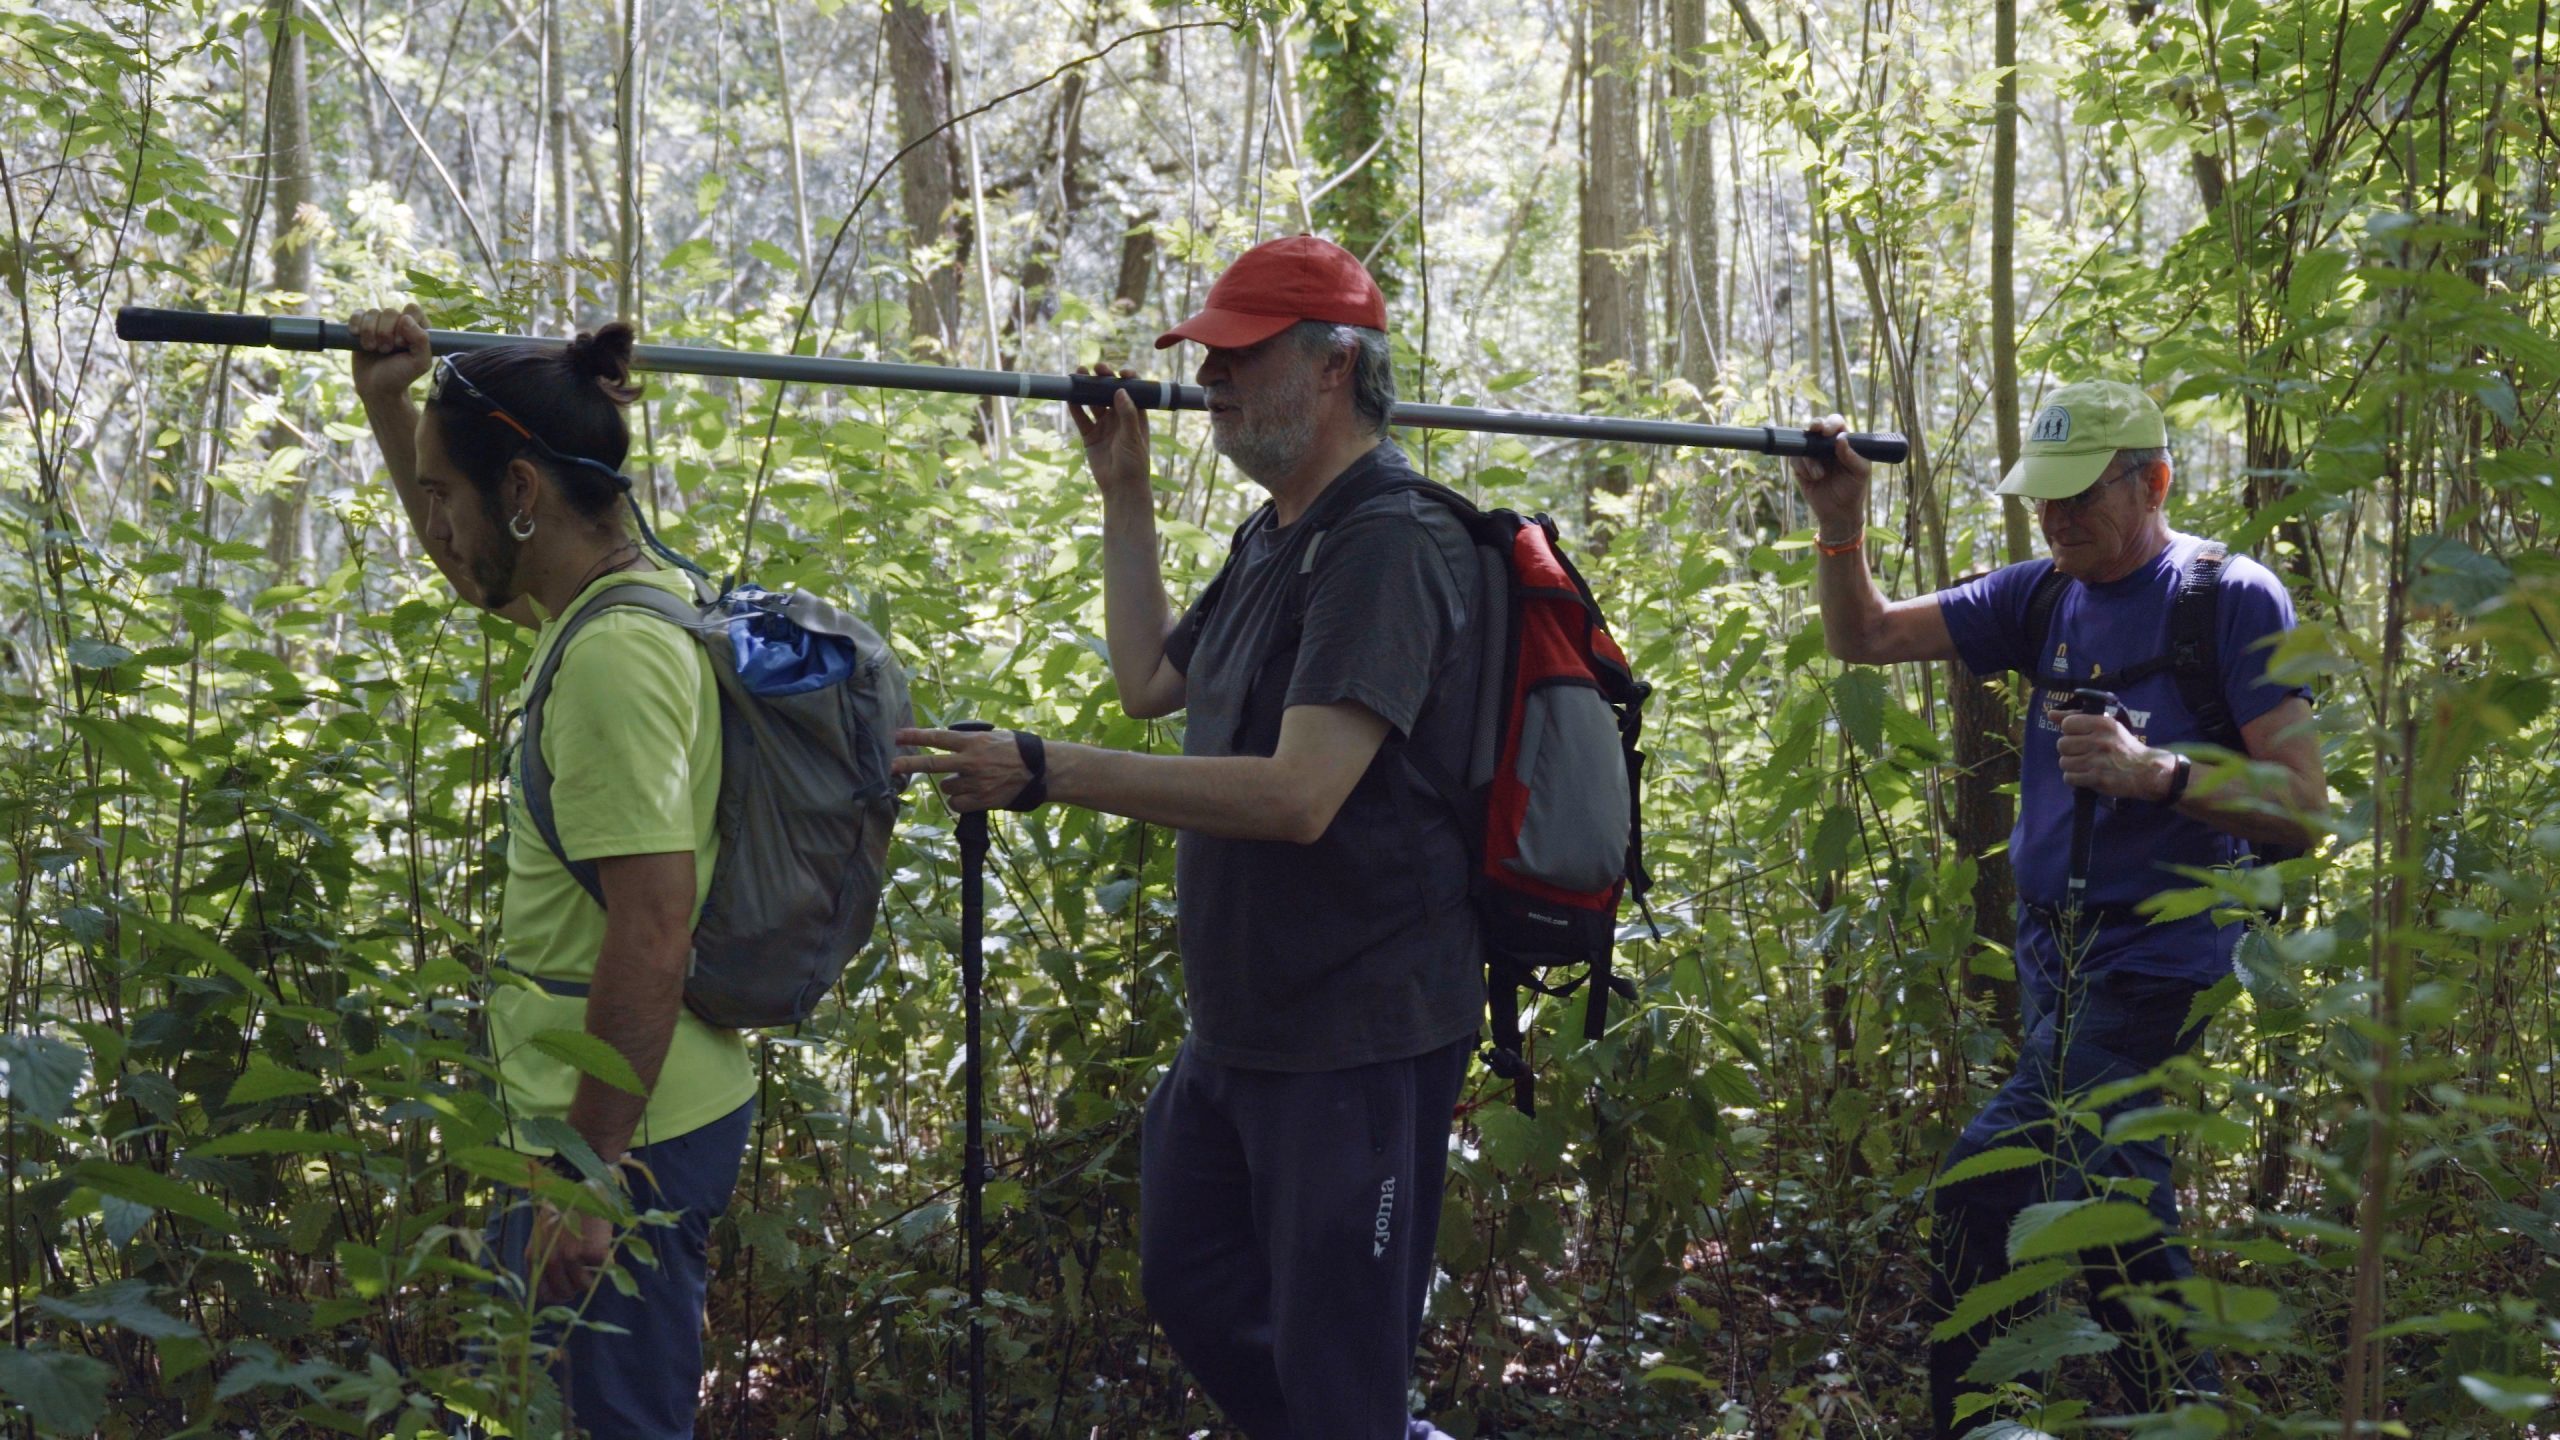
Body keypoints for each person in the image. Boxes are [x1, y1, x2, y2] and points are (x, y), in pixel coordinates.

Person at [895, 235, 1479, 1439]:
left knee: (1337, 1361)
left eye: (1235, 356)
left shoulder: (1386, 540)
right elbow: (1148, 682)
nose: (1207, 378)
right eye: (1203, 356)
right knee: (1193, 1278)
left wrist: (1045, 773)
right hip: (1246, 1024)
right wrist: (1125, 490)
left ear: (1329, 367)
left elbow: (1298, 796)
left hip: (1356, 1035)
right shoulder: (1278, 533)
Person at [1789, 381, 2327, 1435]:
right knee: (2113, 1206)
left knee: (1983, 1185)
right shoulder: (2038, 594)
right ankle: (2182, 1413)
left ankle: (1982, 1422)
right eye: (2043, 497)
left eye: (2080, 494)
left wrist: (2157, 774)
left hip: (2158, 953)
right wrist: (1839, 526)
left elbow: (2303, 807)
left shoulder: (2231, 597)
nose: (2057, 517)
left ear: (2154, 481)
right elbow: (1867, 640)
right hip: (2053, 953)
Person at [349, 305, 754, 1439]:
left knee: (614, 1423)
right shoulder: (611, 602)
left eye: (445, 492)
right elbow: (475, 571)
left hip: (623, 1138)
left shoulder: (612, 663)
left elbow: (652, 929)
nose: (432, 522)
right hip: (606, 1117)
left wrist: (589, 1173)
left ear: (520, 491)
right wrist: (391, 406)